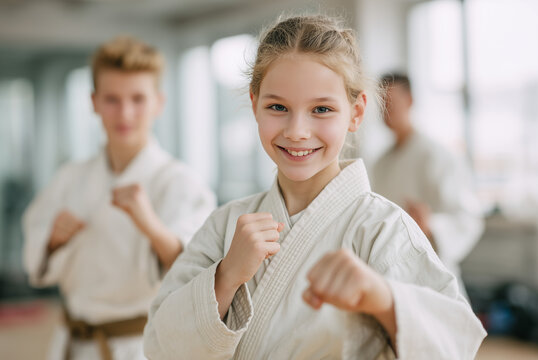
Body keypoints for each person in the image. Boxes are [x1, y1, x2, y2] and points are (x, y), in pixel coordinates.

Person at [143, 16, 486, 359]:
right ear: (254, 103)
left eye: (321, 109)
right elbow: (159, 344)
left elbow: (455, 343)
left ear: (356, 112)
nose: (297, 131)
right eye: (278, 107)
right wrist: (226, 276)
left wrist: (382, 298)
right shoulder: (225, 226)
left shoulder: (382, 230)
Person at [22, 37, 216, 360]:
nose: (124, 113)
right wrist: (53, 241)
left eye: (138, 99)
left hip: (139, 347)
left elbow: (199, 275)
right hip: (72, 342)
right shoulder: (69, 178)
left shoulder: (181, 183)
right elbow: (36, 260)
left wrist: (150, 224)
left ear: (158, 103)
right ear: (94, 102)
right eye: (112, 99)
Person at [371, 73, 484, 296]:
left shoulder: (437, 155)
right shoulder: (380, 163)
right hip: (390, 280)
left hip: (432, 278)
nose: (386, 109)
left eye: (391, 102)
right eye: (381, 103)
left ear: (410, 101)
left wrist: (430, 224)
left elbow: (468, 218)